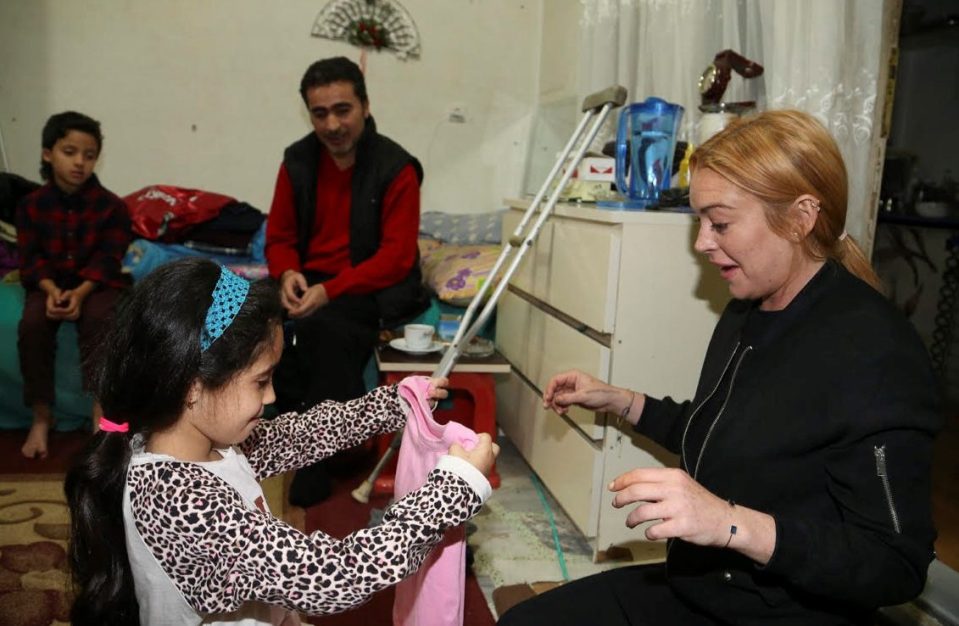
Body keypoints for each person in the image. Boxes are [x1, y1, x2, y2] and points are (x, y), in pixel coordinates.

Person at [498, 110, 942, 625]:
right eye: (700, 222)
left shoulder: (875, 355)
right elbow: (726, 434)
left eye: (721, 223)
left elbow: (894, 563)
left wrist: (730, 524)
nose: (702, 243)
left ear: (801, 217)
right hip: (704, 587)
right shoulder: (747, 312)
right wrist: (621, 401)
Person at [64, 258, 498, 625]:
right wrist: (453, 490)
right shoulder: (178, 497)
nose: (271, 397)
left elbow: (305, 433)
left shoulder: (212, 443)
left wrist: (393, 404)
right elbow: (332, 576)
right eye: (261, 381)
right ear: (193, 386)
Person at [265, 56, 429, 507]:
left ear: (365, 106)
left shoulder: (396, 167)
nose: (333, 123)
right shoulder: (297, 161)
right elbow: (278, 235)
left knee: (327, 329)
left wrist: (329, 290)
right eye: (320, 113)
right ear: (309, 114)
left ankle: (314, 458)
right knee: (243, 313)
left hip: (367, 287)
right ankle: (253, 436)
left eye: (343, 109)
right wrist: (288, 273)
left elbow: (396, 258)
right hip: (310, 281)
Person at [16, 111, 131, 459]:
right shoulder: (30, 206)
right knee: (32, 325)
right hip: (49, 283)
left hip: (94, 285)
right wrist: (50, 290)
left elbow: (109, 258)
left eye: (89, 154)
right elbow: (30, 258)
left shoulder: (112, 207)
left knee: (102, 320)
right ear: (47, 153)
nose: (80, 162)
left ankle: (101, 411)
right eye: (70, 152)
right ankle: (41, 415)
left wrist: (80, 293)